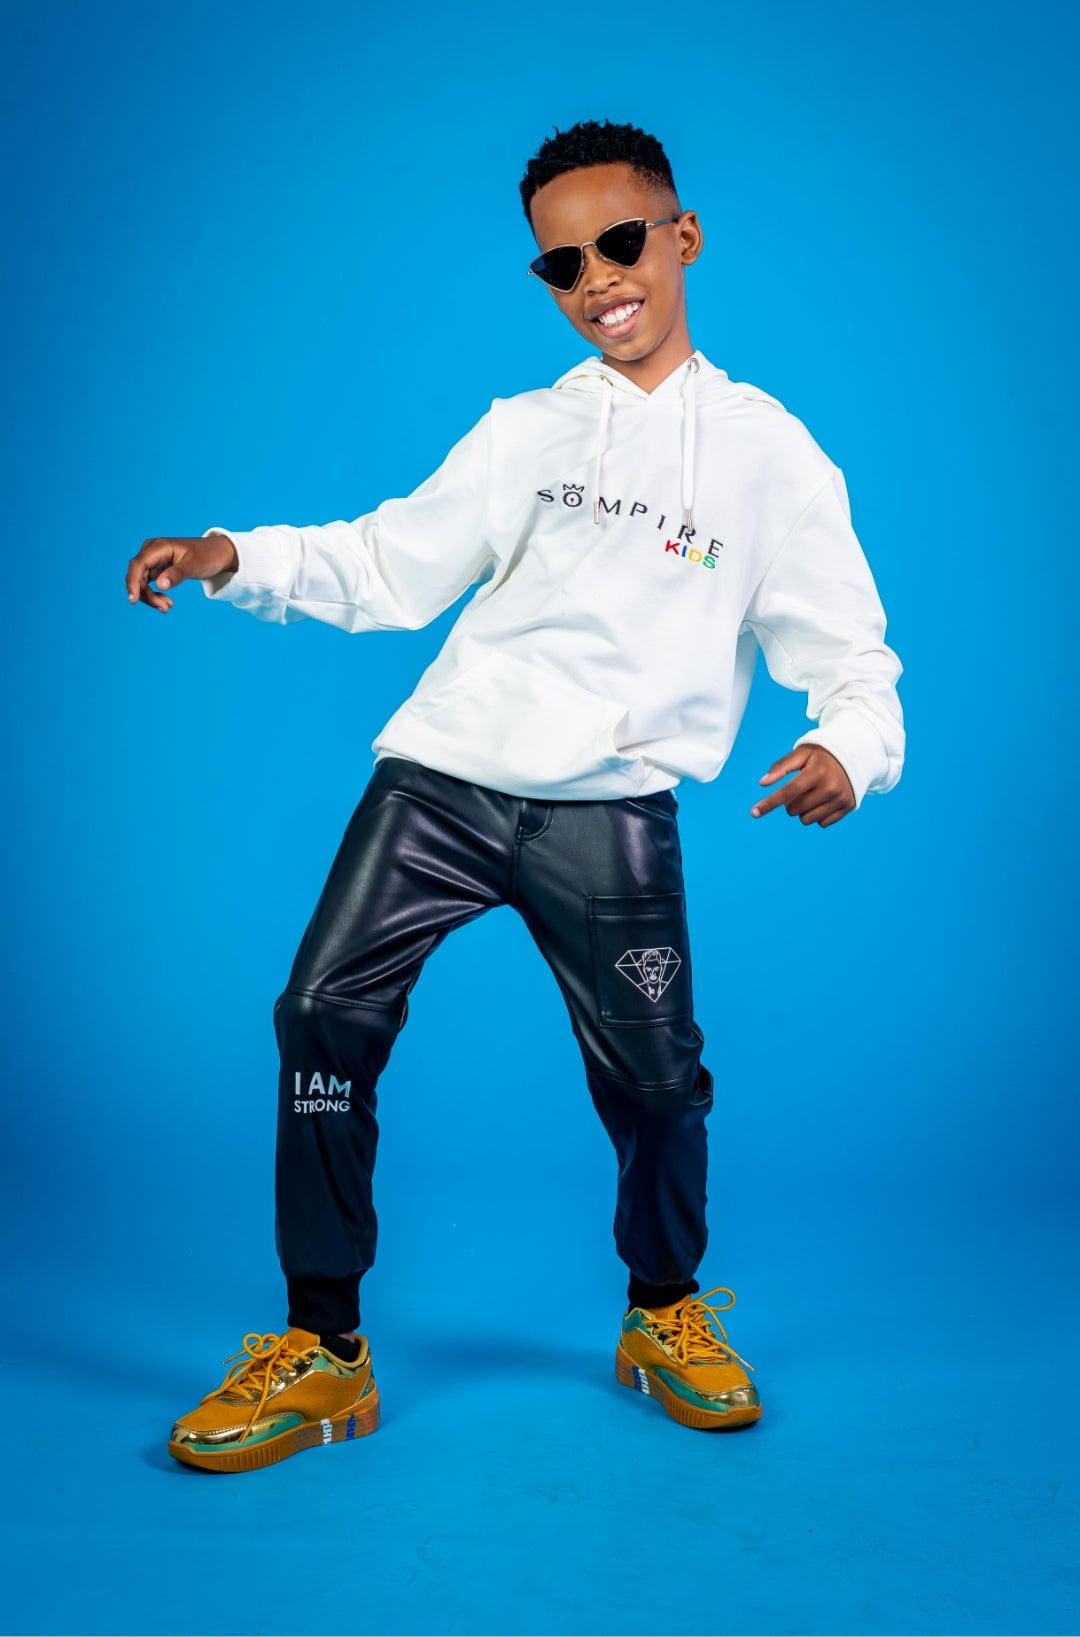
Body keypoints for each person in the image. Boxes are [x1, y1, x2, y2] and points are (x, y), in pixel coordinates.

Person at [126, 119, 904, 1473]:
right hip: (443, 783)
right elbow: (388, 565)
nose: (598, 278)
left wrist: (851, 743)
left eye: (622, 242)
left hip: (611, 811)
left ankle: (663, 1309)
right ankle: (323, 1344)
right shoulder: (526, 432)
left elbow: (849, 651)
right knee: (320, 1015)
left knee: (660, 1082)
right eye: (562, 263)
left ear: (682, 237)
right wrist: (233, 555)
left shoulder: (772, 456)